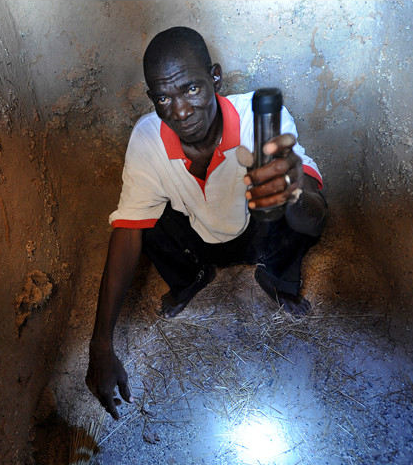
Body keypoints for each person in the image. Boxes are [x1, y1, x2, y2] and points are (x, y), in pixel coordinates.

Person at [85, 27, 327, 420]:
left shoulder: (261, 119)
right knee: (136, 220)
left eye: (192, 89)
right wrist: (100, 345)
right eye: (164, 97)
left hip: (257, 230)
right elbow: (127, 235)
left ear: (215, 78)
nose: (180, 111)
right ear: (152, 99)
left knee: (295, 205)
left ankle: (276, 277)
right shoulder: (148, 138)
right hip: (197, 230)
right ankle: (193, 276)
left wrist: (290, 190)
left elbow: (314, 223)